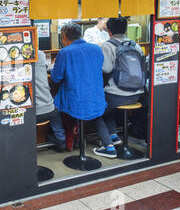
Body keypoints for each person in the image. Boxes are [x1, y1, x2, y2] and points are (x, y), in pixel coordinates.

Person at [0, 50, 67, 159]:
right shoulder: (39, 54)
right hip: (48, 110)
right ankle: (61, 140)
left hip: (27, 114)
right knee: (53, 107)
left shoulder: (7, 57)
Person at [51, 22, 107, 152]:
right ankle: (76, 138)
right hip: (96, 99)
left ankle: (63, 141)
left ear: (64, 37)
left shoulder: (65, 52)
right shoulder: (97, 49)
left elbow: (56, 78)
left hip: (76, 102)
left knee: (53, 108)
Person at [94, 17, 145, 158]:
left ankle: (108, 146)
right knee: (107, 108)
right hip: (137, 93)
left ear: (109, 31)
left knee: (96, 110)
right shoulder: (136, 45)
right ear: (125, 29)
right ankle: (114, 135)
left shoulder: (108, 45)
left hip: (118, 95)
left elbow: (106, 69)